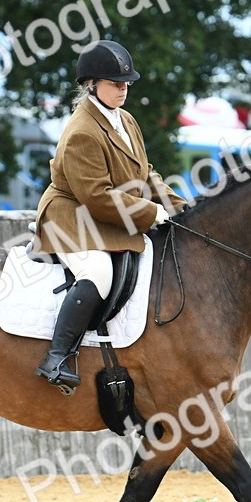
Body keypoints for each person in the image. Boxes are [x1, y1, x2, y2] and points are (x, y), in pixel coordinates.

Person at [31, 40, 187, 393]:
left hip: (103, 210)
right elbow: (96, 197)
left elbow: (144, 174)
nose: (123, 89)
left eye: (126, 83)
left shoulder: (125, 120)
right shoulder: (81, 132)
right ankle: (56, 357)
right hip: (71, 216)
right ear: (91, 85)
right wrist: (150, 212)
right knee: (98, 272)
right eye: (116, 83)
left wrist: (180, 207)